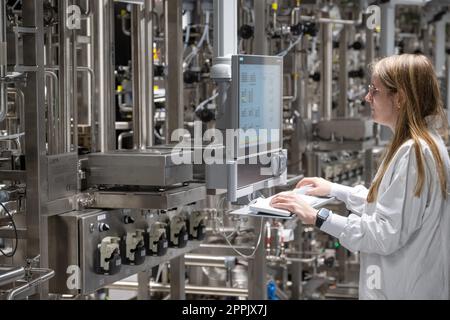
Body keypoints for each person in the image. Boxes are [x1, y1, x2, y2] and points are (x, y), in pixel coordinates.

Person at [271, 54, 450, 300]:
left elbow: (383, 235)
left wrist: (318, 217)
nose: (367, 98)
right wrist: (334, 189)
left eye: (375, 91)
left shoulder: (415, 153)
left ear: (399, 98)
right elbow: (389, 207)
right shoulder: (422, 144)